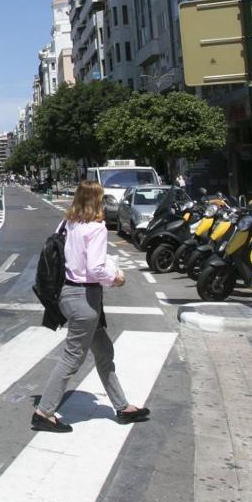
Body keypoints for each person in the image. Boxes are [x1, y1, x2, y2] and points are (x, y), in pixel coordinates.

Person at [32, 180, 150, 433]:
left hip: (67, 294)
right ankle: (44, 412)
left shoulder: (67, 223)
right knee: (72, 358)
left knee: (104, 351)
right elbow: (96, 269)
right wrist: (116, 278)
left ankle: (122, 407)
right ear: (98, 201)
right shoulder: (96, 228)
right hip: (85, 299)